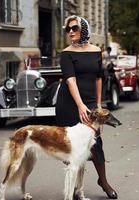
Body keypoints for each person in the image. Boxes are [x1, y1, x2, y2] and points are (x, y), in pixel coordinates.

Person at [55, 15, 118, 199]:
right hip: (69, 104)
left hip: (90, 103)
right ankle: (74, 188)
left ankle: (103, 182)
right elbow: (71, 80)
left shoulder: (96, 51)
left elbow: (98, 78)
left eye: (74, 28)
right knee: (72, 148)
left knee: (96, 144)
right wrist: (80, 105)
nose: (71, 32)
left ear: (84, 28)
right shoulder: (66, 53)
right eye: (68, 30)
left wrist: (97, 105)